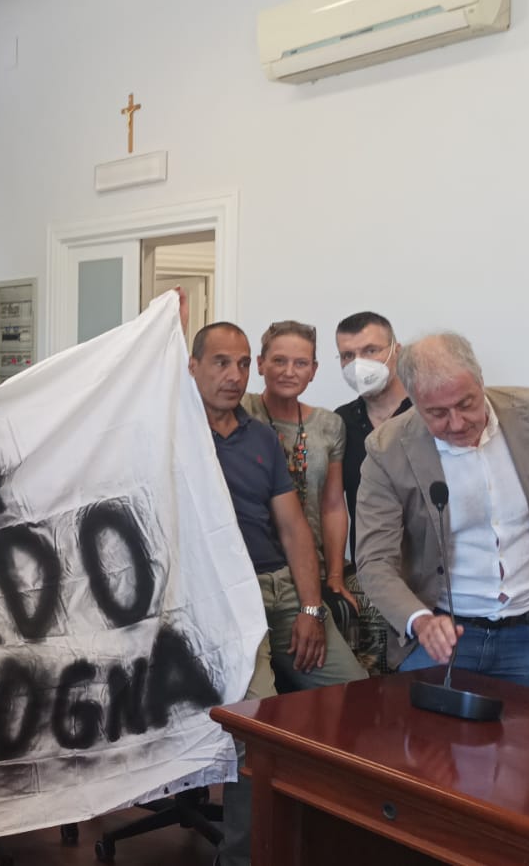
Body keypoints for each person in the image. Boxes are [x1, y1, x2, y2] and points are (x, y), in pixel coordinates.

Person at [190, 322, 365, 866]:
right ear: (192, 367)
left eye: (241, 363)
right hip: (219, 599)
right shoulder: (174, 432)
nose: (233, 375)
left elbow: (293, 530)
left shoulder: (262, 436)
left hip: (282, 590)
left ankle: (329, 843)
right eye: (220, 362)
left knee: (357, 703)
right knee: (257, 728)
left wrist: (312, 609)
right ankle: (244, 859)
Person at [355, 333, 529, 689]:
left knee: (523, 741)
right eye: (437, 413)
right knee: (430, 744)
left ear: (480, 381)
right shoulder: (388, 450)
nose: (458, 423)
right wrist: (420, 621)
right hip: (441, 636)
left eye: (466, 403)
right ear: (413, 402)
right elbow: (373, 559)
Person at [241, 321, 352, 628]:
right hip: (253, 569)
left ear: (314, 370)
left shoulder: (329, 425)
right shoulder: (239, 412)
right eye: (279, 360)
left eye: (300, 363)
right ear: (260, 364)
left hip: (307, 572)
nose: (289, 371)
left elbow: (331, 505)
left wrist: (334, 575)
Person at [333, 311, 412, 555]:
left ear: (396, 350)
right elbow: (333, 504)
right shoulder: (341, 421)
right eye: (348, 355)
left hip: (431, 573)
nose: (358, 364)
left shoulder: (428, 414)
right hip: (370, 567)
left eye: (370, 350)